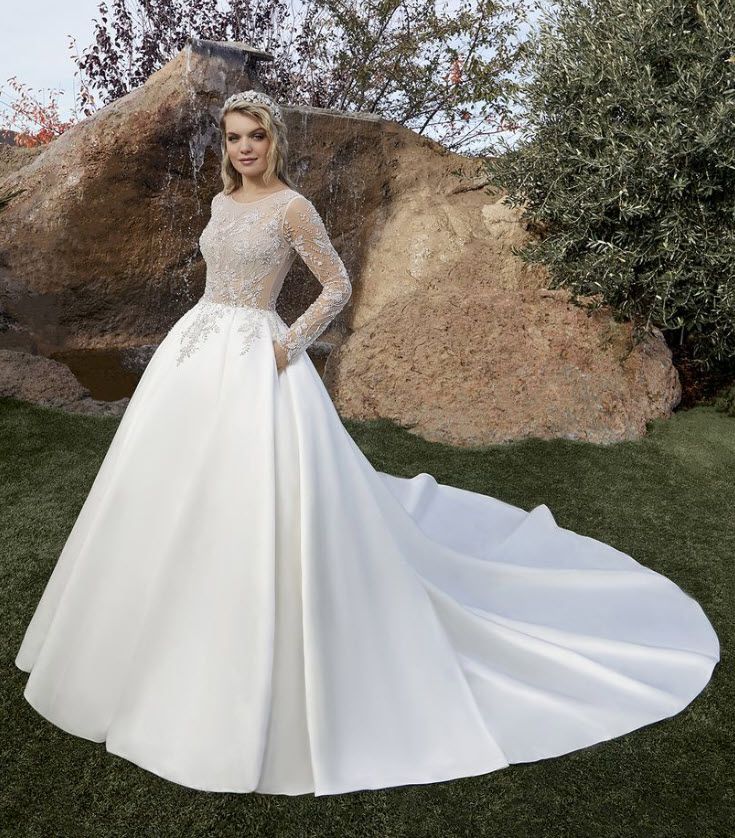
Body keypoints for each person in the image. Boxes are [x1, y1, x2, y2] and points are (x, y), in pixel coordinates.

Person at [15, 90, 720, 798]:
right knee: (159, 491)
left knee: (257, 501)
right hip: (193, 353)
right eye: (233, 138)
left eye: (254, 136)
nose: (244, 149)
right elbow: (215, 280)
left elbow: (336, 287)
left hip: (259, 354)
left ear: (274, 140)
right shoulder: (220, 205)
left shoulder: (293, 207)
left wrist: (287, 347)